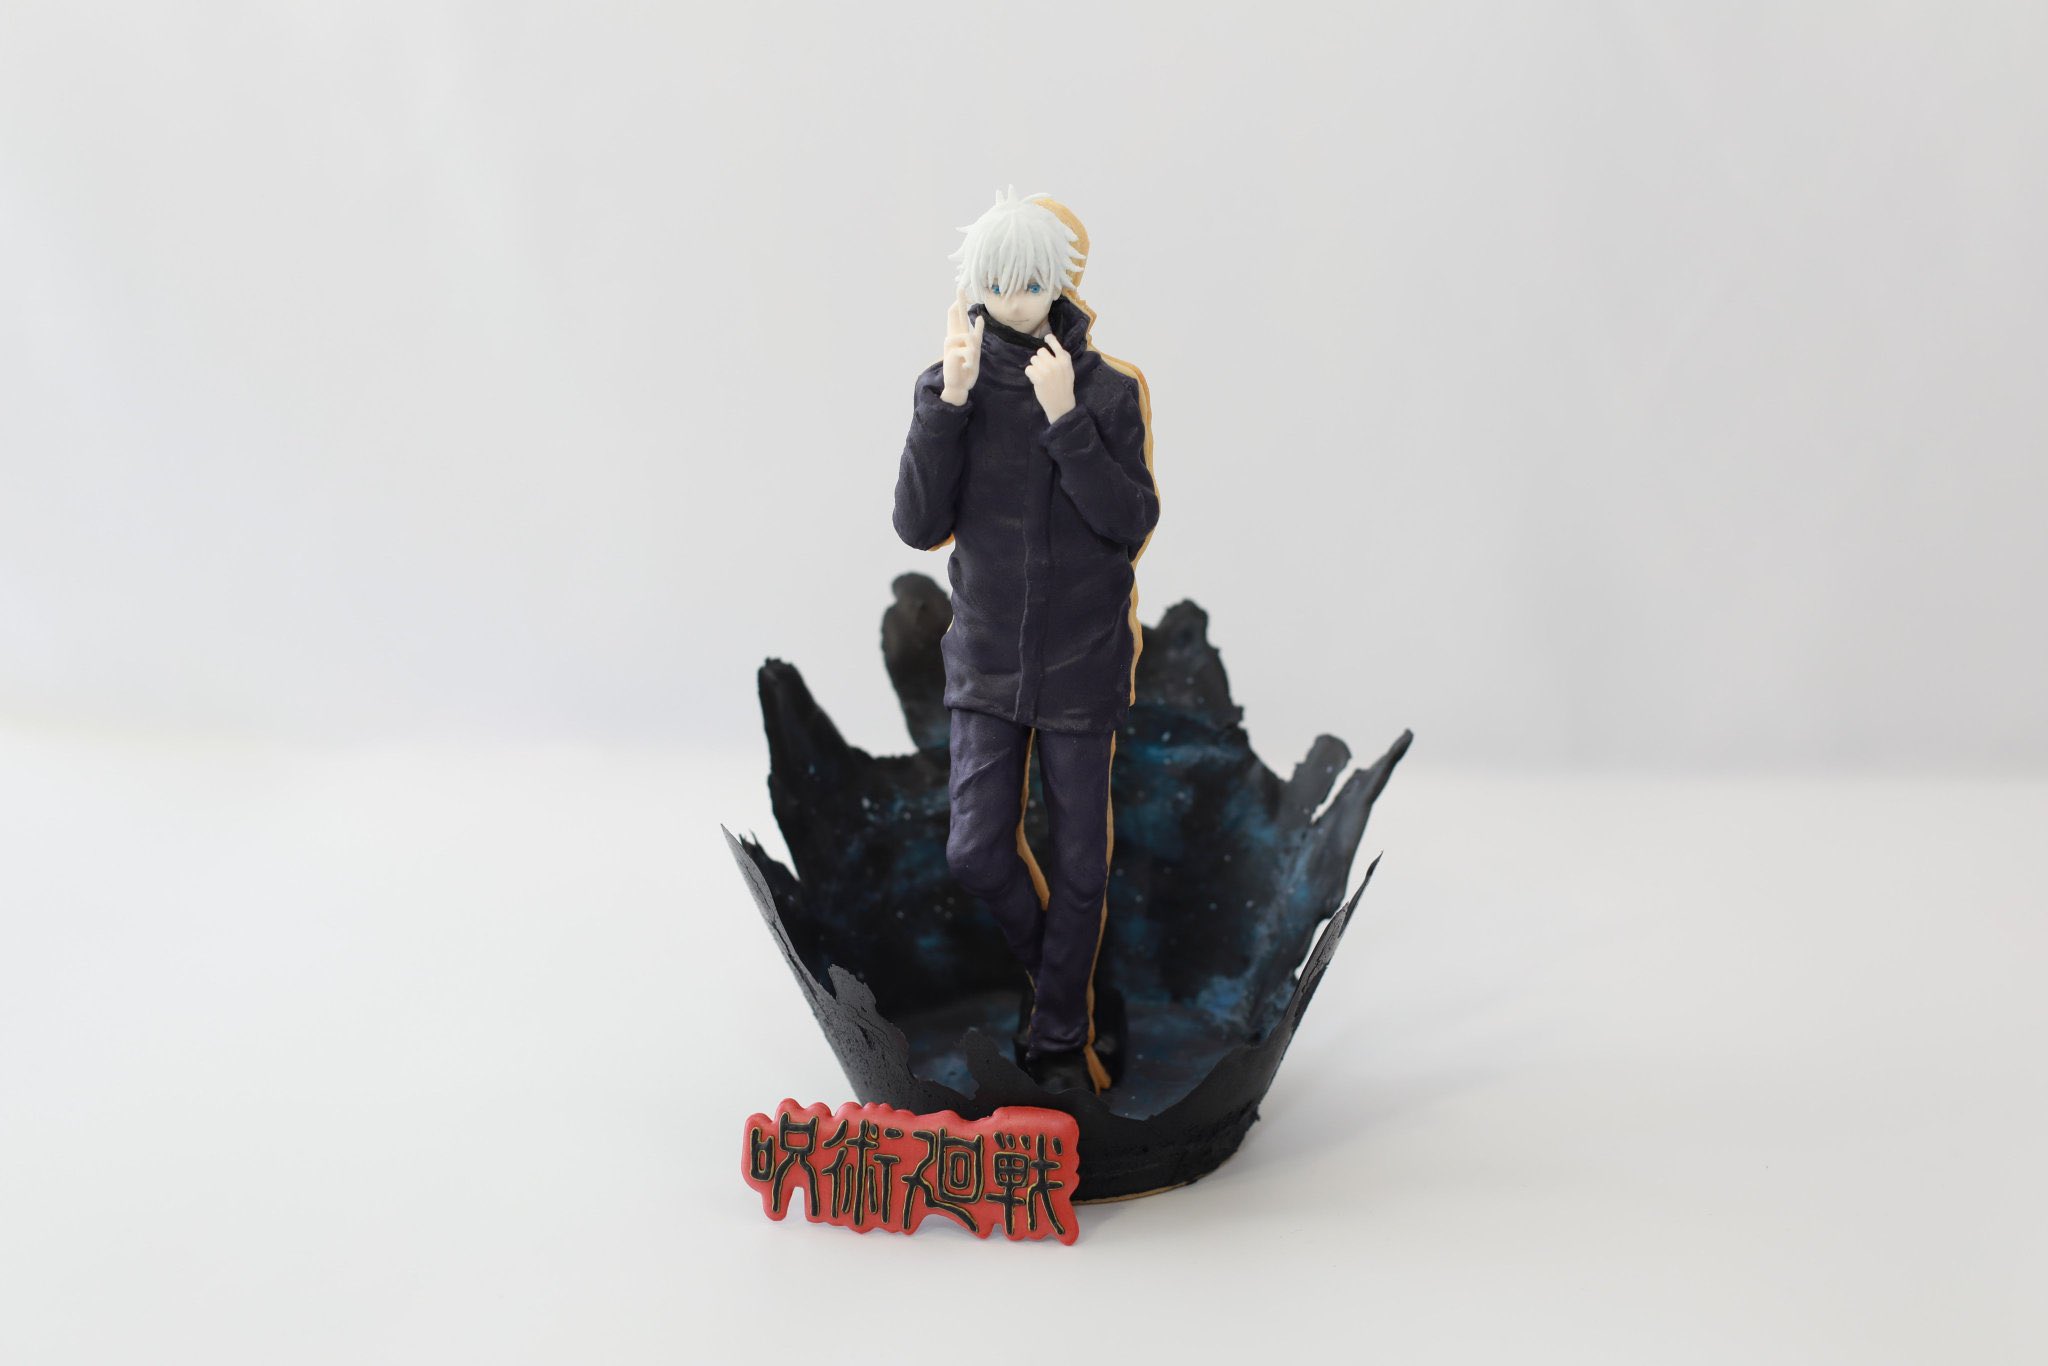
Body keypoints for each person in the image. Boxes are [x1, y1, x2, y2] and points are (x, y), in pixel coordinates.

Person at [892, 188, 1160, 1094]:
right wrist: (950, 401)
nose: (1015, 301)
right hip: (987, 660)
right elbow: (916, 524)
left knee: (1082, 863)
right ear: (975, 284)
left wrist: (1066, 419)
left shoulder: (1107, 391)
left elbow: (1128, 521)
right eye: (999, 284)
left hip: (1083, 660)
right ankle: (1062, 984)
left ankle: (1056, 1042)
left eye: (1033, 284)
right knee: (975, 851)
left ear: (1059, 282)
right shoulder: (949, 389)